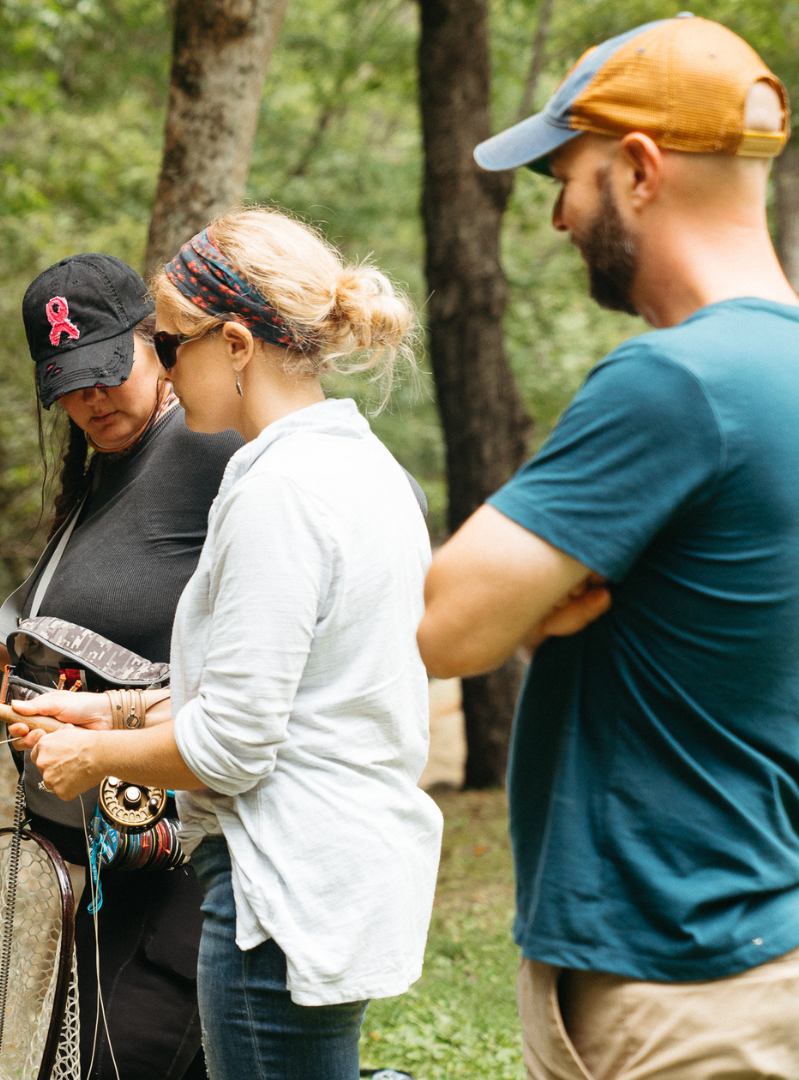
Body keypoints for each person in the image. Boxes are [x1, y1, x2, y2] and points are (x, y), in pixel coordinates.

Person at [418, 15, 799, 1079]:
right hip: (762, 940)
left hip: (681, 985)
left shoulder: (676, 383)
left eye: (570, 176)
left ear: (638, 169)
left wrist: (527, 605)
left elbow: (444, 625)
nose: (555, 215)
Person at [10, 209, 437, 1080]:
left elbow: (233, 747)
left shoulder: (278, 491)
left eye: (169, 345)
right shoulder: (364, 467)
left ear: (236, 343)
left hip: (276, 894)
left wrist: (92, 758)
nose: (162, 367)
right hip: (339, 875)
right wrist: (108, 706)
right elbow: (286, 691)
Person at [0, 252, 242, 1080]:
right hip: (96, 865)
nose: (90, 400)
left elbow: (371, 501)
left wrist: (149, 706)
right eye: (68, 385)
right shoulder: (108, 469)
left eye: (106, 372)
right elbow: (110, 623)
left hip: (175, 857)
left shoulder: (209, 445)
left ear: (154, 344)